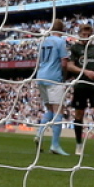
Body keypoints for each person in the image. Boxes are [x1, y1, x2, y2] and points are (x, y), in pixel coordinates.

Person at [66, 22, 94, 157]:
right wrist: (85, 71)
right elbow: (69, 66)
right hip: (81, 84)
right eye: (83, 34)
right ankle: (79, 145)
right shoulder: (75, 48)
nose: (86, 36)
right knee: (79, 115)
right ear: (79, 35)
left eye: (88, 34)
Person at [33, 19, 70, 155]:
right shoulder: (60, 42)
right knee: (58, 110)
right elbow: (64, 63)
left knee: (49, 108)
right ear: (62, 30)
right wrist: (64, 78)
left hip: (41, 76)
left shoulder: (43, 41)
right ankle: (55, 144)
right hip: (54, 77)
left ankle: (39, 133)